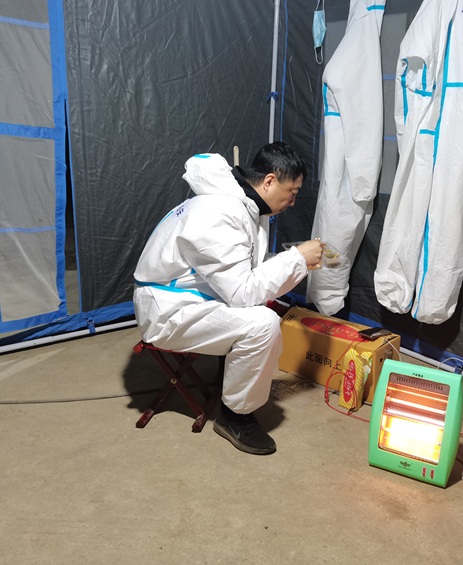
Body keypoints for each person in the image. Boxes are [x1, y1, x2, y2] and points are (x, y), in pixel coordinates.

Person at [133, 142, 323, 455]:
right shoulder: (219, 212)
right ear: (270, 181)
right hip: (167, 311)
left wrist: (295, 260)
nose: (292, 201)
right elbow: (241, 292)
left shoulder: (243, 206)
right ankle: (236, 417)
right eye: (292, 191)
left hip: (186, 297)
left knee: (260, 309)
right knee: (263, 323)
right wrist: (297, 259)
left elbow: (241, 266)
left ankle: (232, 379)